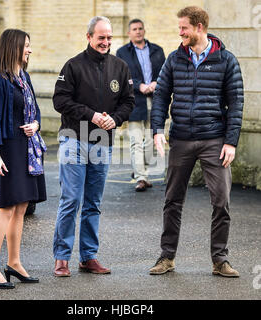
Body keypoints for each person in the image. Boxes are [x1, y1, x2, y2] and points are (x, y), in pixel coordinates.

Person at [150, 6, 243, 277]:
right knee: (172, 200)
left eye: (184, 28)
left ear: (199, 27)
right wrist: (157, 128)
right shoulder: (174, 58)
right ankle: (167, 257)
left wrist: (231, 142)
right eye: (179, 28)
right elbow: (161, 95)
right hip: (180, 138)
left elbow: (236, 102)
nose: (180, 33)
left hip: (215, 139)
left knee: (221, 201)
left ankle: (220, 260)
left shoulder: (226, 60)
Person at [53, 16, 134, 277]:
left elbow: (128, 102)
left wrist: (116, 118)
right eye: (101, 37)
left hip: (102, 143)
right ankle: (62, 258)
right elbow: (60, 100)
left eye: (109, 37)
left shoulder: (120, 67)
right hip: (73, 138)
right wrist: (91, 115)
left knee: (93, 203)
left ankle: (88, 257)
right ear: (89, 37)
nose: (106, 42)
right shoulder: (73, 66)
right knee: (71, 199)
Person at [0, 29, 47, 289]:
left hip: (27, 149)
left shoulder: (24, 77)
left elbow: (37, 111)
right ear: (14, 47)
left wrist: (36, 125)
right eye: (26, 46)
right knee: (6, 207)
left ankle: (14, 263)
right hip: (9, 150)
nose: (30, 50)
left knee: (21, 207)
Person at [116, 19, 165, 192]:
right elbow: (122, 77)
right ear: (129, 33)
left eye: (140, 28)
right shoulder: (122, 53)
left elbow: (165, 73)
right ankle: (142, 177)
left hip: (156, 99)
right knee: (136, 141)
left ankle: (139, 168)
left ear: (144, 31)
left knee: (152, 139)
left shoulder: (157, 51)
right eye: (134, 29)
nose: (138, 31)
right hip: (134, 101)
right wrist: (139, 85)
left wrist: (155, 82)